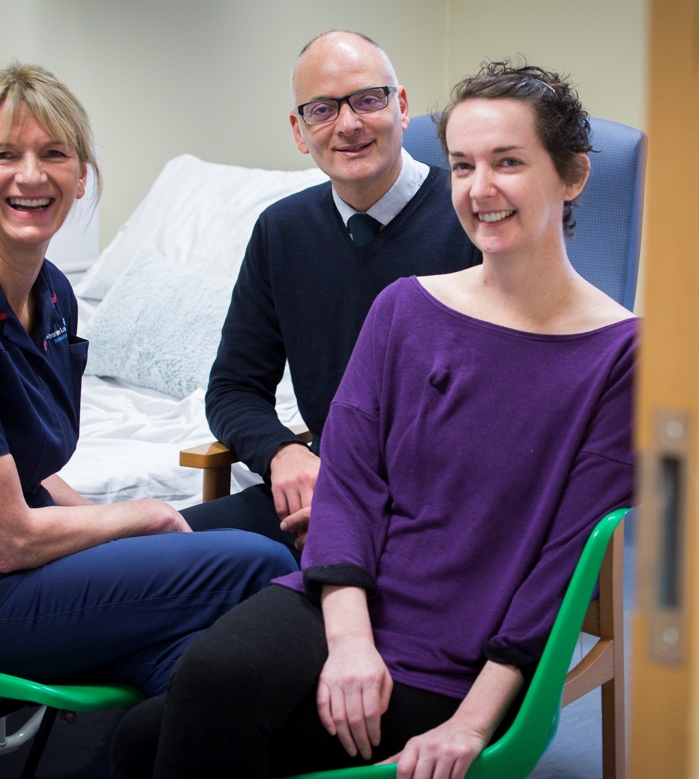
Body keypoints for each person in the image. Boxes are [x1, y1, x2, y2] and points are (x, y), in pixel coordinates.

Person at [112, 60, 638, 779]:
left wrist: (472, 723)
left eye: (507, 162)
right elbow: (349, 488)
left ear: (571, 174)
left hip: (463, 649)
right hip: (347, 597)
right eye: (461, 166)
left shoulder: (621, 354)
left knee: (156, 738)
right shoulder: (404, 308)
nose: (479, 190)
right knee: (204, 682)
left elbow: (563, 565)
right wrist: (351, 642)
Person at [0, 64, 295, 696]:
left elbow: (21, 462)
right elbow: (9, 539)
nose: (32, 175)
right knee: (260, 563)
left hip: (12, 571)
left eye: (54, 154)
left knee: (210, 666)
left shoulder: (51, 293)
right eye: (4, 154)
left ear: (82, 177)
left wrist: (118, 539)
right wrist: (150, 519)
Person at [182, 31, 479, 555]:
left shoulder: (471, 221)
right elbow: (233, 388)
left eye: (367, 100)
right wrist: (282, 454)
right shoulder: (282, 231)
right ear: (300, 131)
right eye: (321, 109)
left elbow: (501, 410)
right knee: (158, 556)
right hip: (321, 493)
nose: (348, 125)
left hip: (438, 514)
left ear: (402, 106)